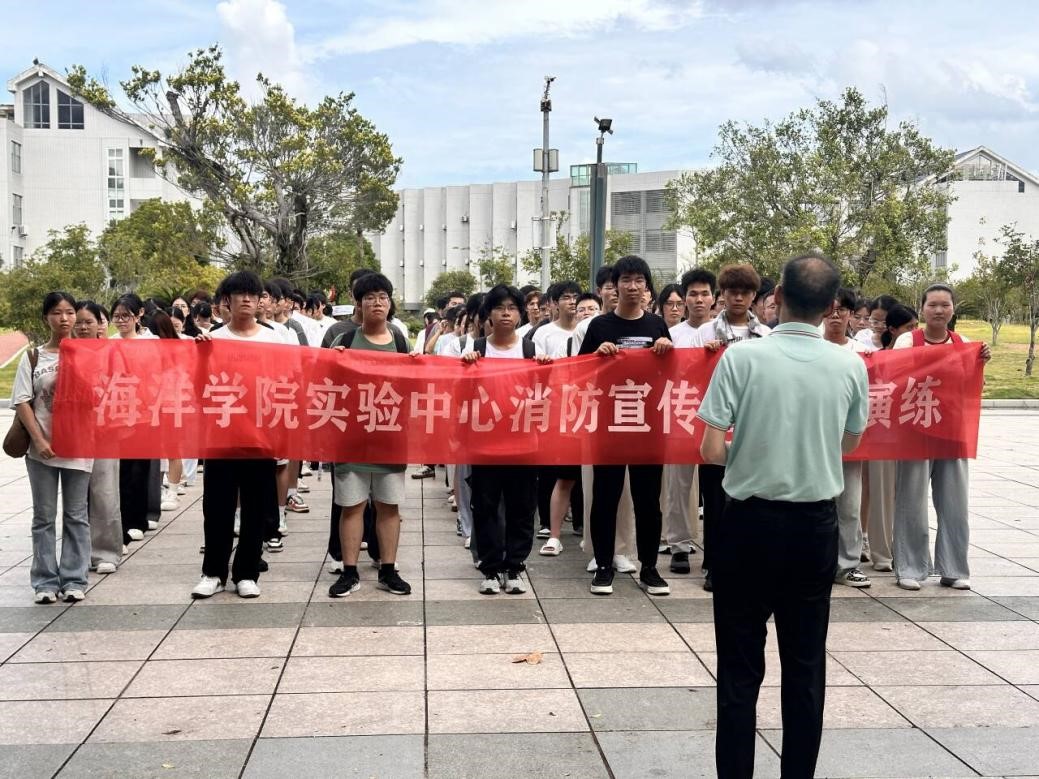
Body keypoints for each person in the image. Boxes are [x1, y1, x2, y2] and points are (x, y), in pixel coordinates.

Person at [698, 253, 869, 779]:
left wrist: (751, 452)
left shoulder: (741, 358)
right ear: (832, 305)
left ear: (775, 297)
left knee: (738, 670)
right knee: (805, 667)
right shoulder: (850, 365)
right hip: (814, 528)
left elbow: (710, 449)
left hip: (746, 526)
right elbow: (849, 442)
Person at [579, 255, 673, 597]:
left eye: (639, 280)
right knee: (605, 497)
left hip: (648, 426)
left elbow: (672, 376)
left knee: (648, 501)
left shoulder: (657, 326)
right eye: (626, 280)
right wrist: (596, 357)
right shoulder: (599, 327)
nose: (632, 287)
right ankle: (604, 565)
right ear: (614, 286)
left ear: (647, 287)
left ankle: (649, 568)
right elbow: (580, 374)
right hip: (610, 425)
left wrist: (667, 351)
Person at [892, 284, 991, 591]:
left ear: (953, 309)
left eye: (944, 305)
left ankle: (953, 568)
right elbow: (895, 377)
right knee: (911, 500)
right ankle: (909, 567)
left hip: (952, 432)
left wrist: (980, 363)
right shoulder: (908, 340)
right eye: (932, 304)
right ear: (922, 308)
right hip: (916, 430)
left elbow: (970, 386)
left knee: (954, 501)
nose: (938, 310)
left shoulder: (964, 343)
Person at [191, 271, 282, 600]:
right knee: (217, 506)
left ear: (260, 301)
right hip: (221, 434)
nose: (246, 299)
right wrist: (201, 357)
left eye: (252, 294)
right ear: (225, 301)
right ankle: (213, 572)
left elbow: (288, 382)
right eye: (239, 294)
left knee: (256, 507)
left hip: (260, 436)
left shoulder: (275, 340)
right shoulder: (212, 339)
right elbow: (198, 388)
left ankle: (247, 572)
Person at [328, 272, 413, 598]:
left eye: (382, 297)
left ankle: (388, 570)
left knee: (389, 505)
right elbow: (325, 384)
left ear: (390, 303)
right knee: (352, 506)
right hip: (351, 438)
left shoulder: (400, 342)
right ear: (358, 303)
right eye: (369, 298)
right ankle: (349, 572)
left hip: (390, 436)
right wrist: (333, 363)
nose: (376, 303)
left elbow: (414, 387)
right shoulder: (345, 340)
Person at [461, 284, 549, 593]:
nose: (506, 313)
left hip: (523, 443)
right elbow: (460, 395)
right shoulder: (477, 350)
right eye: (499, 308)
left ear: (520, 313)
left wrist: (545, 372)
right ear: (489, 314)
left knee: (521, 508)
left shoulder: (532, 350)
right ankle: (489, 568)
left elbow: (546, 396)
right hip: (485, 444)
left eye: (512, 308)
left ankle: (514, 567)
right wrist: (466, 368)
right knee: (485, 506)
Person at [695, 263, 771, 591]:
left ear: (754, 296)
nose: (738, 298)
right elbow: (689, 373)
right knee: (714, 499)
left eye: (745, 292)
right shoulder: (705, 332)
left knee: (751, 498)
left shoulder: (766, 335)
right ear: (722, 295)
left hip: (752, 424)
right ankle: (714, 564)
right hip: (716, 422)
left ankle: (747, 561)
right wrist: (704, 355)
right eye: (732, 292)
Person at [14, 292, 93, 604]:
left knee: (76, 515)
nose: (65, 319)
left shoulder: (90, 354)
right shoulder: (33, 357)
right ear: (46, 317)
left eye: (70, 312)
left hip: (79, 446)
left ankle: (74, 579)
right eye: (57, 313)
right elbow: (22, 401)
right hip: (41, 450)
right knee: (44, 517)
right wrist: (39, 440)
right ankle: (45, 581)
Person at [663, 268, 716, 574]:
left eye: (704, 293)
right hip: (681, 413)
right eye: (693, 294)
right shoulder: (672, 335)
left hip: (718, 417)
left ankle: (715, 549)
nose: (699, 299)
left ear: (714, 298)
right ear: (684, 299)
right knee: (678, 484)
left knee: (716, 486)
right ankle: (679, 545)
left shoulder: (723, 331)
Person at [822, 288, 873, 588]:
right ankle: (818, 562)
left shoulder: (863, 354)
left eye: (842, 309)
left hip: (850, 442)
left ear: (851, 315)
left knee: (850, 505)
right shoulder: (811, 347)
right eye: (830, 309)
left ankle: (848, 564)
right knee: (816, 505)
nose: (835, 315)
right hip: (815, 440)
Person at [75, 301, 122, 576]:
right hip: (72, 432)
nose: (82, 327)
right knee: (75, 496)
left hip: (105, 431)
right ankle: (78, 553)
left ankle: (106, 552)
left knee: (105, 491)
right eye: (78, 322)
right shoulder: (65, 352)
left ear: (99, 324)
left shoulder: (111, 353)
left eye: (88, 321)